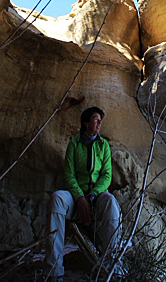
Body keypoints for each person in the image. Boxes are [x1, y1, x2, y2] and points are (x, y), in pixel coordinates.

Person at [44, 107, 121, 281]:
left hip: (96, 197)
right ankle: (53, 271)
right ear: (86, 123)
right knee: (57, 199)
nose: (99, 122)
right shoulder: (74, 145)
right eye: (95, 119)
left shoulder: (104, 146)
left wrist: (92, 195)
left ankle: (110, 266)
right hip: (75, 196)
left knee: (111, 203)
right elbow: (69, 176)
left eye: (100, 119)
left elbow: (107, 176)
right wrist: (80, 198)